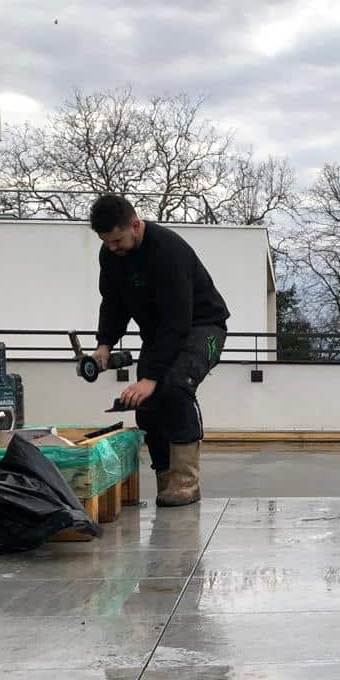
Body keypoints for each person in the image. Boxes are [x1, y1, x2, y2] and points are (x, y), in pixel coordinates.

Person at [89, 194, 229, 507]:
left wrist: (150, 377)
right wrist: (104, 346)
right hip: (158, 335)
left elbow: (177, 322)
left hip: (202, 327)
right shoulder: (110, 255)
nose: (112, 248)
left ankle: (185, 482)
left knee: (176, 387)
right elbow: (113, 304)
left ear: (135, 225)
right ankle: (165, 479)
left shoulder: (168, 251)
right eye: (105, 242)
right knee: (147, 404)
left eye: (117, 240)